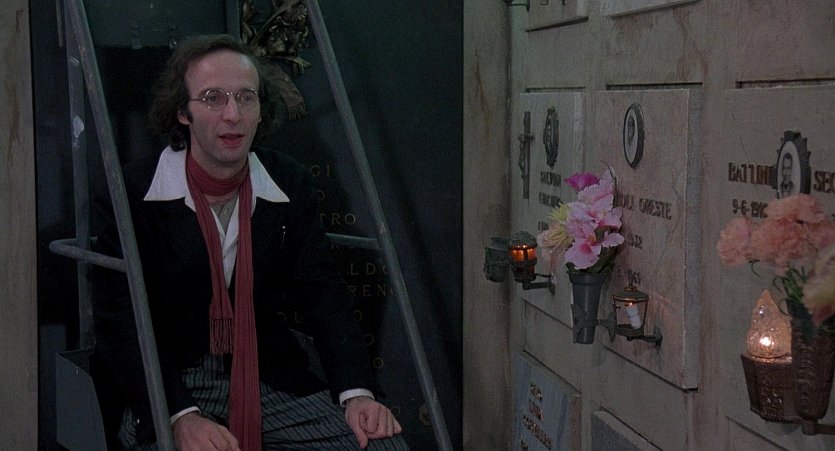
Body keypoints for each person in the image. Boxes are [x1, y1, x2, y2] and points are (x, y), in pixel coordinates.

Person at [91, 34, 407, 450]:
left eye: (246, 98)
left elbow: (324, 293)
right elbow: (120, 322)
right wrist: (180, 417)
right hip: (168, 383)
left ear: (261, 110)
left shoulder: (288, 182)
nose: (233, 114)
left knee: (383, 446)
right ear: (183, 112)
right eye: (213, 98)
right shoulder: (131, 192)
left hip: (264, 374)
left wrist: (356, 395)